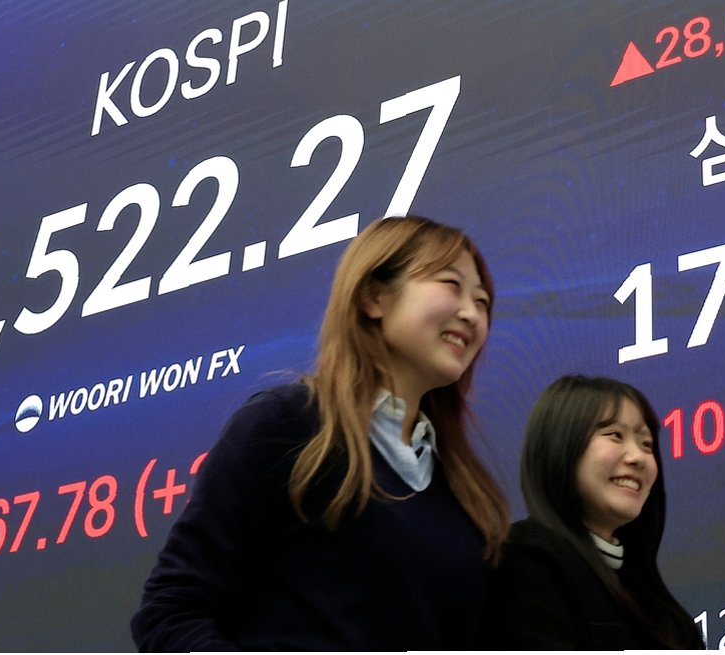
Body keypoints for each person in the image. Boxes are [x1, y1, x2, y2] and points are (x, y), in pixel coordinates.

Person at [131, 216, 509, 651]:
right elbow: (172, 610)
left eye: (482, 301)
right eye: (451, 285)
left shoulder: (466, 495)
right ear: (373, 297)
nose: (471, 314)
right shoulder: (290, 424)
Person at [481, 375, 703, 649]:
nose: (638, 457)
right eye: (615, 435)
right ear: (561, 445)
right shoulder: (524, 561)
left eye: (646, 444)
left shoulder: (656, 603)